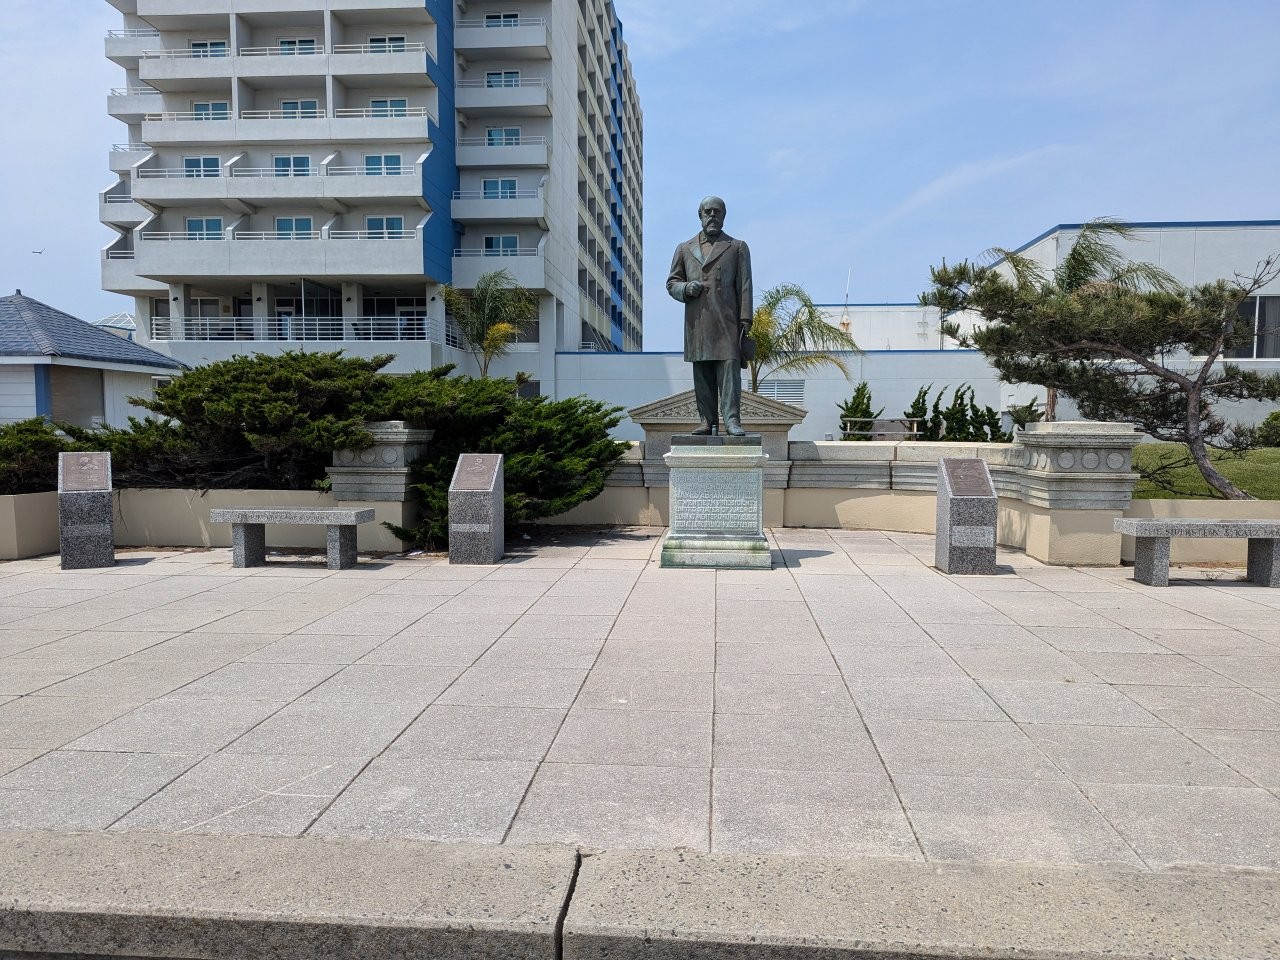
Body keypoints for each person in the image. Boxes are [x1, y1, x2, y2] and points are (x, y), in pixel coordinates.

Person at [666, 196, 753, 436]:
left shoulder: (737, 247)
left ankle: (732, 420)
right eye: (708, 211)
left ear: (724, 215)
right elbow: (672, 282)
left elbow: (744, 286)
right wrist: (685, 289)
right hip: (698, 324)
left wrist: (746, 321)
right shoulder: (684, 248)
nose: (712, 215)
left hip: (728, 323)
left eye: (717, 211)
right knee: (702, 374)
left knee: (729, 374)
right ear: (700, 215)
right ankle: (706, 421)